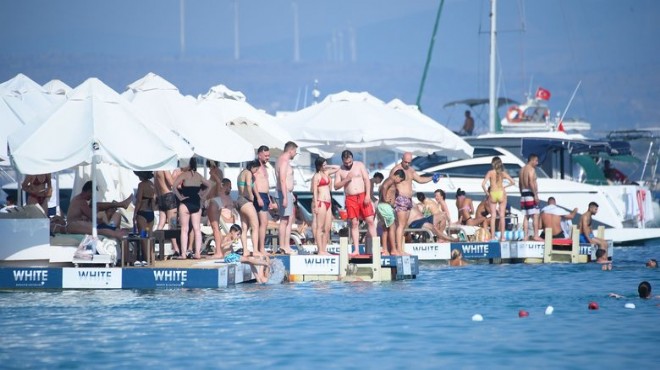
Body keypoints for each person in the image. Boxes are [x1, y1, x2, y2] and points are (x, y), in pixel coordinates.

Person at [390, 152, 435, 256]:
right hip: (400, 199)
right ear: (402, 159)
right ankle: (398, 250)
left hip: (409, 200)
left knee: (404, 226)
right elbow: (390, 185)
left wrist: (431, 178)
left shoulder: (410, 170)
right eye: (405, 162)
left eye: (409, 162)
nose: (407, 164)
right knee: (400, 225)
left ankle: (400, 249)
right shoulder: (396, 170)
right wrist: (391, 200)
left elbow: (420, 179)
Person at [336, 150, 378, 256]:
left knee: (370, 221)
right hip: (350, 198)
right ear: (343, 161)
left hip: (363, 195)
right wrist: (346, 180)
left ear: (352, 159)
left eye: (350, 162)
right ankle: (356, 250)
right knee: (354, 224)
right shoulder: (340, 171)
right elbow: (336, 186)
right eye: (346, 163)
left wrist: (368, 195)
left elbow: (366, 180)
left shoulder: (359, 165)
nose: (348, 165)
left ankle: (376, 247)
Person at [172, 157, 212, 260]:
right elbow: (209, 185)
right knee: (197, 229)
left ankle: (184, 254)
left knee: (184, 230)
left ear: (188, 165)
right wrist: (203, 196)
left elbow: (174, 186)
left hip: (185, 203)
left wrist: (180, 197)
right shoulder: (198, 176)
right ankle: (197, 253)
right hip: (196, 203)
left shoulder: (184, 175)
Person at [63, 180, 131, 240]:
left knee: (96, 206)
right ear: (89, 191)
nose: (92, 196)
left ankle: (121, 205)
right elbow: (93, 218)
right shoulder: (81, 201)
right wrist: (104, 223)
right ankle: (116, 231)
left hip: (77, 224)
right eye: (92, 193)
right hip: (74, 225)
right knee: (99, 229)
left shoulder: (77, 199)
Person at [482, 156, 516, 241]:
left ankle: (493, 237)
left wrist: (487, 193)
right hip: (501, 192)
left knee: (493, 216)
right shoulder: (503, 173)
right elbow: (513, 182)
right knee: (502, 216)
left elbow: (483, 184)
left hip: (493, 193)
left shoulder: (490, 172)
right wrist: (505, 187)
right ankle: (503, 237)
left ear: (493, 163)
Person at [311, 157, 340, 255]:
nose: (325, 166)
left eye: (325, 164)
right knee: (320, 227)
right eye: (323, 165)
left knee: (327, 228)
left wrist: (328, 166)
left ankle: (324, 249)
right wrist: (315, 205)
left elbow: (337, 168)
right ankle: (320, 250)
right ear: (319, 165)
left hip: (328, 202)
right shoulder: (317, 176)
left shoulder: (326, 173)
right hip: (321, 201)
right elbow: (315, 191)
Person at [276, 141, 299, 255]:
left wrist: (290, 194)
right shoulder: (284, 161)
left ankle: (284, 246)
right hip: (283, 193)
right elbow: (282, 180)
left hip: (286, 193)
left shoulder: (281, 160)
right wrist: (285, 197)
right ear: (291, 151)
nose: (295, 154)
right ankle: (284, 246)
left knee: (287, 219)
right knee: (286, 220)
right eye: (295, 151)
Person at [377, 169, 405, 255]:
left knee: (385, 229)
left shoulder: (390, 180)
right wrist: (385, 199)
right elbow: (384, 187)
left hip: (383, 206)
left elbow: (382, 188)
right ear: (397, 176)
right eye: (400, 180)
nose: (399, 182)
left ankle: (385, 249)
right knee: (392, 227)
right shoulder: (391, 179)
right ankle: (393, 250)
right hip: (385, 206)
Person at [236, 160, 262, 255]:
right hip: (246, 201)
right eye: (256, 169)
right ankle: (255, 251)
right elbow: (248, 184)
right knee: (255, 226)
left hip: (239, 201)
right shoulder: (248, 173)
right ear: (252, 167)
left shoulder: (241, 173)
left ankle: (245, 250)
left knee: (244, 227)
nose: (256, 171)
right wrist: (251, 196)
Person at [154, 169, 180, 255]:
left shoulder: (156, 171)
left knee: (160, 224)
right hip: (169, 196)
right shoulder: (165, 169)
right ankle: (175, 248)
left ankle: (156, 247)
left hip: (160, 197)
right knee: (172, 224)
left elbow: (155, 187)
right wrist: (176, 176)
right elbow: (171, 182)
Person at [133, 171, 156, 266]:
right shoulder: (152, 185)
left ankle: (146, 259)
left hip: (142, 214)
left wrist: (134, 214)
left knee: (143, 236)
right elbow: (154, 200)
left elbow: (138, 200)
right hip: (150, 214)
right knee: (149, 236)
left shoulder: (141, 185)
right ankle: (151, 258)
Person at [253, 145, 272, 255]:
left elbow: (266, 183)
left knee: (264, 223)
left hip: (265, 195)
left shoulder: (265, 167)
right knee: (263, 222)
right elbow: (254, 182)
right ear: (259, 155)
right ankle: (261, 248)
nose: (267, 157)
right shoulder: (256, 166)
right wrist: (258, 197)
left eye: (268, 156)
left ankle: (260, 248)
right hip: (259, 195)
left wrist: (268, 198)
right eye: (265, 155)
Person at [519, 153, 542, 241]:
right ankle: (536, 235)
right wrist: (535, 195)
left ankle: (525, 236)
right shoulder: (531, 169)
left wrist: (522, 193)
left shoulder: (522, 169)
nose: (537, 163)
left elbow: (520, 184)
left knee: (526, 216)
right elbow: (531, 182)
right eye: (536, 161)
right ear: (532, 160)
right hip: (530, 193)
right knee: (535, 215)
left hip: (523, 194)